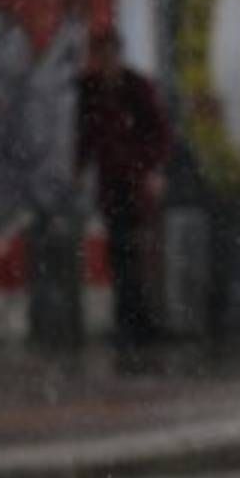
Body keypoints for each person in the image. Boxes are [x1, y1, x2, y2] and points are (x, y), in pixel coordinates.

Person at [77, 28, 171, 348]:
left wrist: (151, 168)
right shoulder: (90, 91)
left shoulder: (136, 88)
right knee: (120, 252)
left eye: (111, 55)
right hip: (110, 181)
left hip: (135, 181)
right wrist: (79, 167)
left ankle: (138, 320)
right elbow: (86, 135)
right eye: (101, 56)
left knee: (132, 250)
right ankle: (129, 320)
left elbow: (159, 133)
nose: (107, 62)